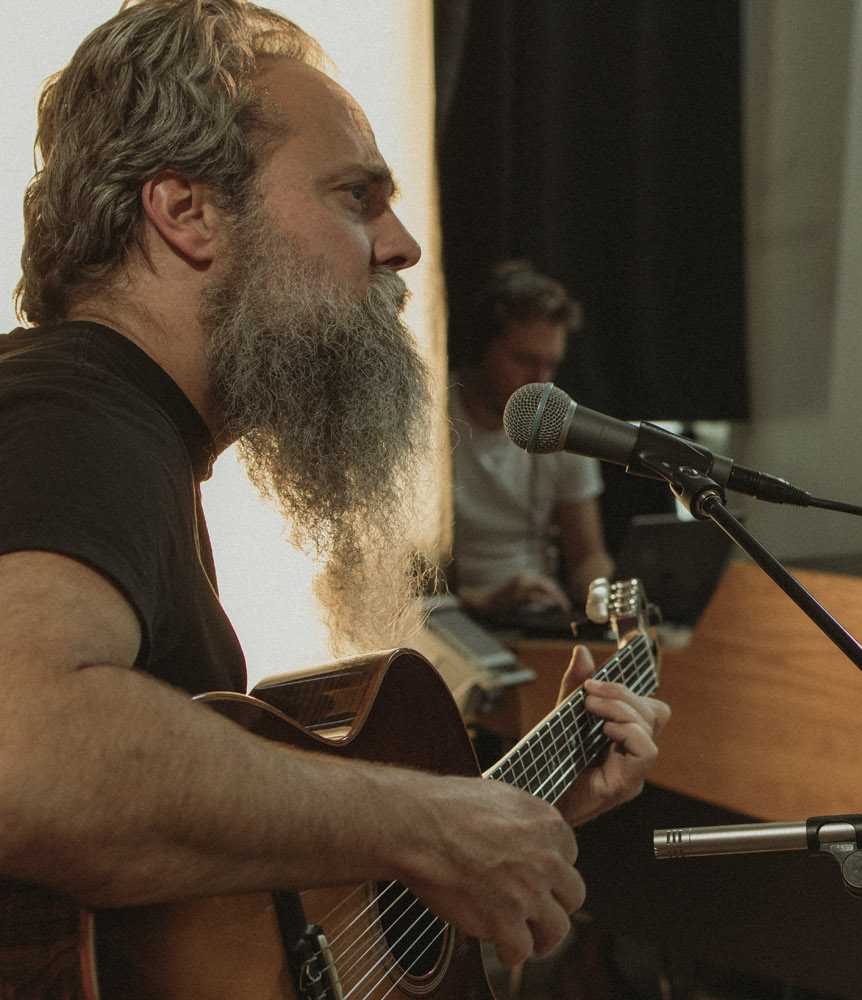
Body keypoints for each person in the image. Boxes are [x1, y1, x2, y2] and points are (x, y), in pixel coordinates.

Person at [0, 0, 667, 982]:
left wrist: (508, 815)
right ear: (186, 213)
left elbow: (212, 905)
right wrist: (427, 823)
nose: (401, 246)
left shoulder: (127, 432)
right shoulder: (78, 412)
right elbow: (24, 750)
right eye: (356, 196)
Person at [448, 262, 615, 616]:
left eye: (551, 365)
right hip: (448, 619)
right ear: (479, 347)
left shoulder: (561, 424)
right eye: (523, 360)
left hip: (535, 618)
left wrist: (604, 602)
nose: (541, 381)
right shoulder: (425, 417)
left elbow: (588, 556)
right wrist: (483, 603)